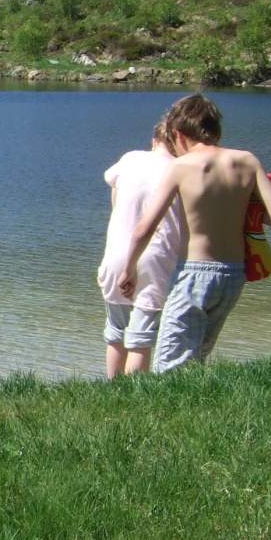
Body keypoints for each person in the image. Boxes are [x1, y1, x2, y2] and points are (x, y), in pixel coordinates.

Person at [120, 94, 271, 372]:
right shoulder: (246, 160)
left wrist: (129, 269)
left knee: (169, 363)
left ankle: (167, 411)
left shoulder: (181, 166)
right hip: (233, 275)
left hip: (194, 273)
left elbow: (145, 227)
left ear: (178, 133)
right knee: (197, 357)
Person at [97, 117, 186, 377]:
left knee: (115, 330)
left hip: (116, 254)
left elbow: (114, 190)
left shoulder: (131, 159)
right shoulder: (180, 168)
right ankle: (136, 396)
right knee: (141, 336)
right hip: (157, 256)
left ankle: (114, 390)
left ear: (154, 140)